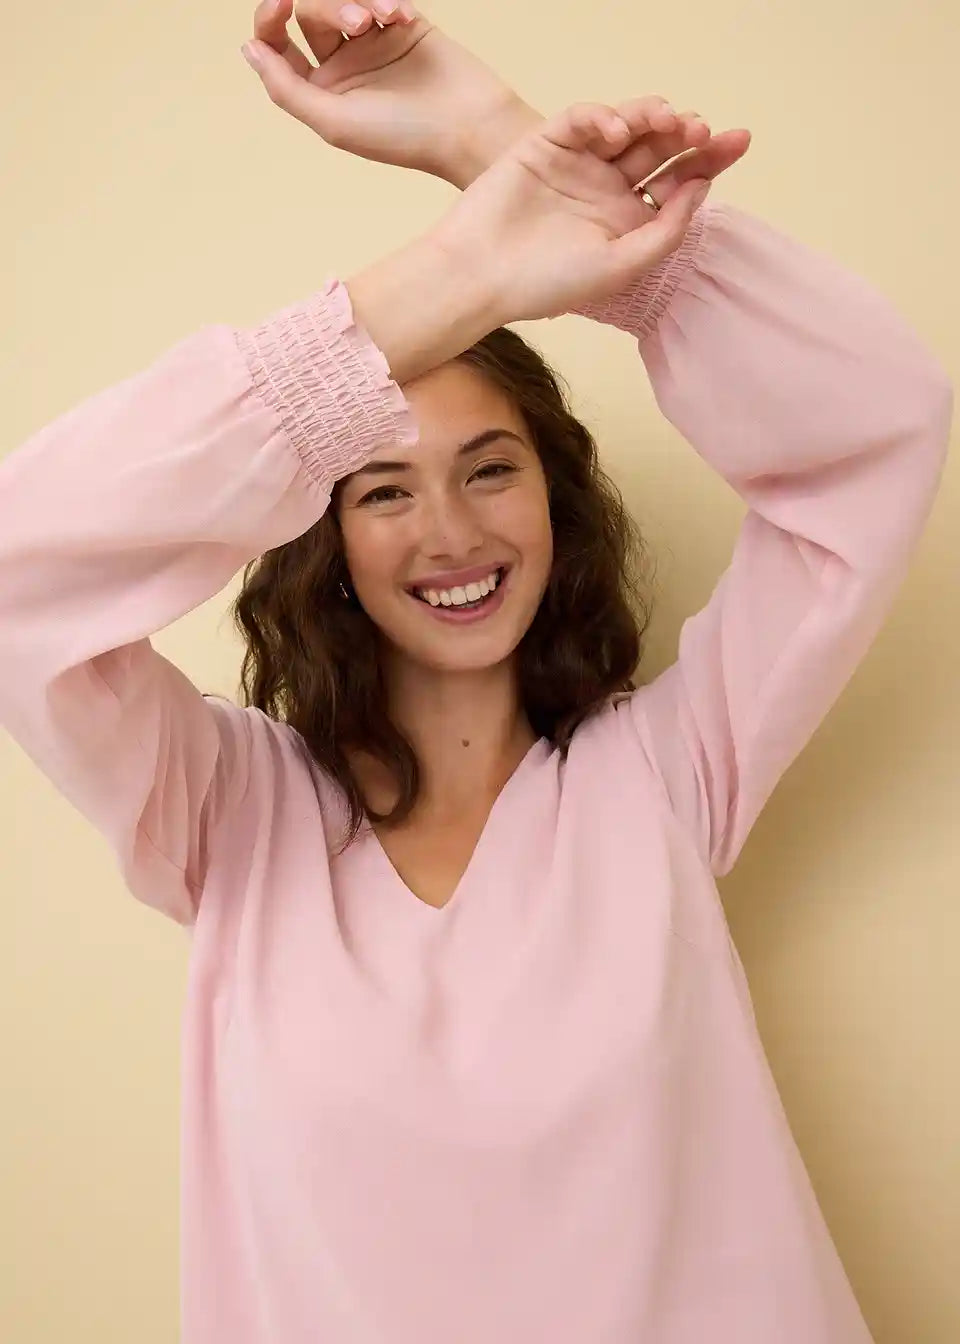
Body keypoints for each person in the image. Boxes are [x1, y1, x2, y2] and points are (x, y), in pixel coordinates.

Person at [1, 3, 951, 1341]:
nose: (449, 533)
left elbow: (881, 420)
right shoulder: (224, 814)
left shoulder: (667, 772)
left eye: (489, 469)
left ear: (554, 499)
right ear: (320, 534)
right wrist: (459, 267)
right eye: (383, 488)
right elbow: (21, 568)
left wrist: (498, 146)